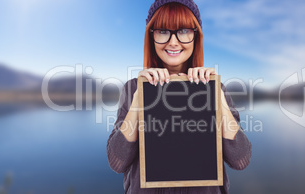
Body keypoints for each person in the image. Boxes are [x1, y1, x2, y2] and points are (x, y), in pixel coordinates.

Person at [107, 0, 252, 193]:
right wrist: (139, 98)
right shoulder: (133, 88)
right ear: (151, 37)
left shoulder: (215, 88)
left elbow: (240, 159)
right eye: (163, 31)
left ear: (196, 37)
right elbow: (117, 162)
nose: (173, 42)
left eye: (183, 31)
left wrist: (214, 92)